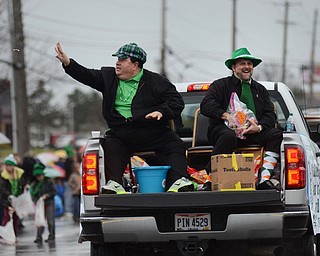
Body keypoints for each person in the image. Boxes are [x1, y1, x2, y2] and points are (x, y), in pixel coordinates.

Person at [55, 42, 195, 193]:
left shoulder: (156, 81)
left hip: (151, 130)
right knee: (111, 144)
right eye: (117, 59)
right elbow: (87, 75)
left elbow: (176, 101)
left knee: (174, 143)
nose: (117, 62)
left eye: (122, 59)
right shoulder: (108, 77)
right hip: (121, 133)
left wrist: (162, 111)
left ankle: (178, 181)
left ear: (135, 65)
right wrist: (68, 63)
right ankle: (115, 184)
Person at [200, 47, 283, 190]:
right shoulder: (220, 85)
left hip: (252, 132)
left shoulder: (260, 89)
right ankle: (209, 178)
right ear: (233, 67)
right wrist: (226, 116)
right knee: (228, 136)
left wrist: (259, 127)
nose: (247, 67)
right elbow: (206, 105)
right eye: (242, 64)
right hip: (224, 131)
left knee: (276, 134)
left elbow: (270, 115)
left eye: (249, 64)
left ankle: (264, 179)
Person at [30, 163, 56, 244]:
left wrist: (47, 195)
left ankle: (51, 235)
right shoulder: (34, 184)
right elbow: (32, 194)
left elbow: (54, 192)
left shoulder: (48, 181)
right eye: (37, 176)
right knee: (40, 220)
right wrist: (36, 200)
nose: (39, 177)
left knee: (50, 221)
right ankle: (38, 237)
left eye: (40, 175)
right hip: (39, 205)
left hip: (49, 203)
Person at [0, 154, 24, 235]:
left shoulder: (18, 174)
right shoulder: (3, 176)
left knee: (15, 219)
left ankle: (14, 235)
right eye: (7, 165)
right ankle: (3, 235)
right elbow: (3, 190)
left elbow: (22, 184)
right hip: (6, 199)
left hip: (16, 199)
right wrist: (8, 202)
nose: (8, 167)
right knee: (6, 217)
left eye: (10, 165)